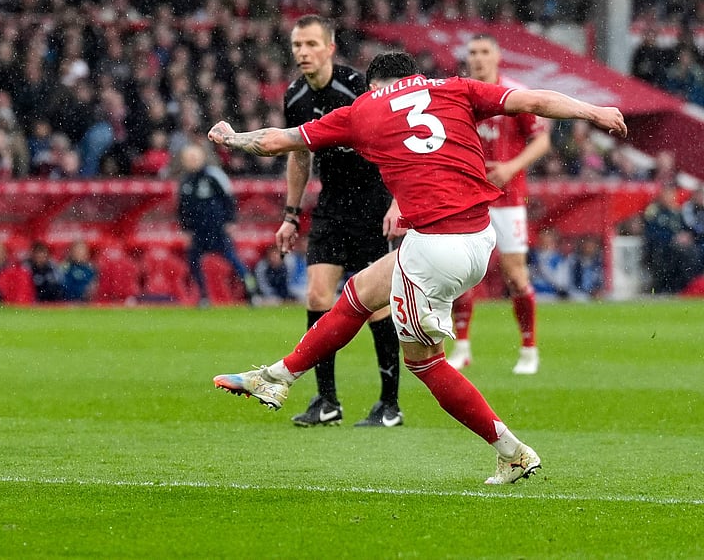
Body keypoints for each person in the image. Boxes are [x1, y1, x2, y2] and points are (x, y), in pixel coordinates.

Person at [209, 51, 626, 484]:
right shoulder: (455, 88)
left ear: (374, 86)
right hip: (480, 238)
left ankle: (513, 451)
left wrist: (230, 138)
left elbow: (277, 141)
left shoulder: (363, 109)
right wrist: (592, 110)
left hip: (434, 247)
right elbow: (534, 101)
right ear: (415, 76)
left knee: (425, 363)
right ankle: (279, 375)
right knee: (360, 292)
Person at [278, 15, 403, 429]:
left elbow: (395, 141)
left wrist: (397, 200)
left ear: (330, 48)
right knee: (317, 296)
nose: (302, 53)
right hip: (331, 205)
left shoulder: (356, 87)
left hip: (372, 202)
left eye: (311, 44)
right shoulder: (294, 95)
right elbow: (299, 155)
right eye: (297, 45)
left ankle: (390, 405)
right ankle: (327, 401)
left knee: (373, 307)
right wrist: (291, 215)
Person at [449, 34, 550, 375]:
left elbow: (542, 140)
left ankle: (528, 349)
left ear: (498, 56)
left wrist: (509, 167)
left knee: (515, 275)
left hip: (507, 199)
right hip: (467, 197)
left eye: (484, 52)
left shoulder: (513, 95)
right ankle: (461, 346)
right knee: (461, 274)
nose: (478, 58)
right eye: (473, 52)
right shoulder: (458, 95)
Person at [176, 144, 256, 306]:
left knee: (234, 261)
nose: (192, 161)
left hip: (217, 229)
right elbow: (182, 208)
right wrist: (185, 229)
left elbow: (229, 199)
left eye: (195, 158)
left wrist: (231, 221)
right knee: (194, 263)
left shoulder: (214, 175)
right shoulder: (185, 182)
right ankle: (203, 297)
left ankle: (253, 292)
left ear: (202, 158)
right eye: (189, 158)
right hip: (197, 232)